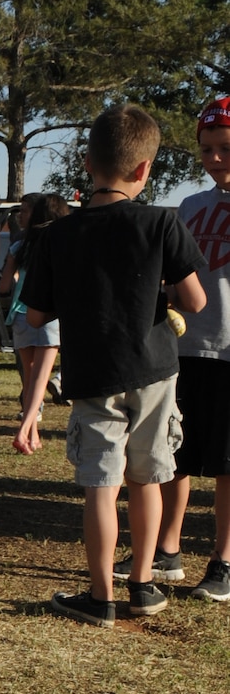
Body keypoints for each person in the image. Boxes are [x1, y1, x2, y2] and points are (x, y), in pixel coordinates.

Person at [19, 104, 206, 626]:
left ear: (87, 163)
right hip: (154, 370)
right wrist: (160, 290)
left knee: (101, 486)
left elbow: (36, 313)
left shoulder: (57, 234)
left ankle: (100, 597)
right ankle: (143, 585)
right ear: (145, 169)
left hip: (93, 374)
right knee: (146, 480)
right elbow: (195, 302)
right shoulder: (163, 223)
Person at [150, 93, 230, 601]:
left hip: (229, 351)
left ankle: (223, 561)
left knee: (226, 463)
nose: (214, 159)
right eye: (205, 150)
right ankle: (168, 550)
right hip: (184, 350)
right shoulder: (190, 207)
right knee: (173, 453)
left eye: (224, 148)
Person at [0, 194, 69, 451]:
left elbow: (5, 286)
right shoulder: (62, 243)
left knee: (30, 381)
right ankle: (24, 430)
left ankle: (33, 435)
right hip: (50, 315)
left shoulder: (20, 245)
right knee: (41, 380)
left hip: (21, 313)